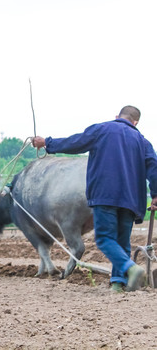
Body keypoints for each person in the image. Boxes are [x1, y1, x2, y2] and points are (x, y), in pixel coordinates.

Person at [32, 105, 157, 292]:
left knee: (105, 238)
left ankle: (131, 268)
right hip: (132, 199)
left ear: (117, 116)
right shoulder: (143, 141)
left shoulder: (102, 130)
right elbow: (153, 167)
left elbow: (74, 143)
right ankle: (118, 283)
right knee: (122, 242)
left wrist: (47, 143)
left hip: (105, 195)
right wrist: (155, 194)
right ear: (136, 122)